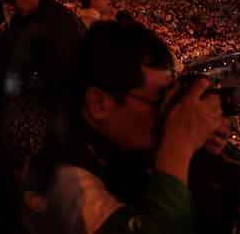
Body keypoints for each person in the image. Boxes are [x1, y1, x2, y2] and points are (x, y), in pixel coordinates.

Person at [27, 20, 228, 233]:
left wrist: (196, 151)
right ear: (100, 104)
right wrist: (178, 146)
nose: (167, 113)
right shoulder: (62, 180)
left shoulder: (114, 145)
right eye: (158, 100)